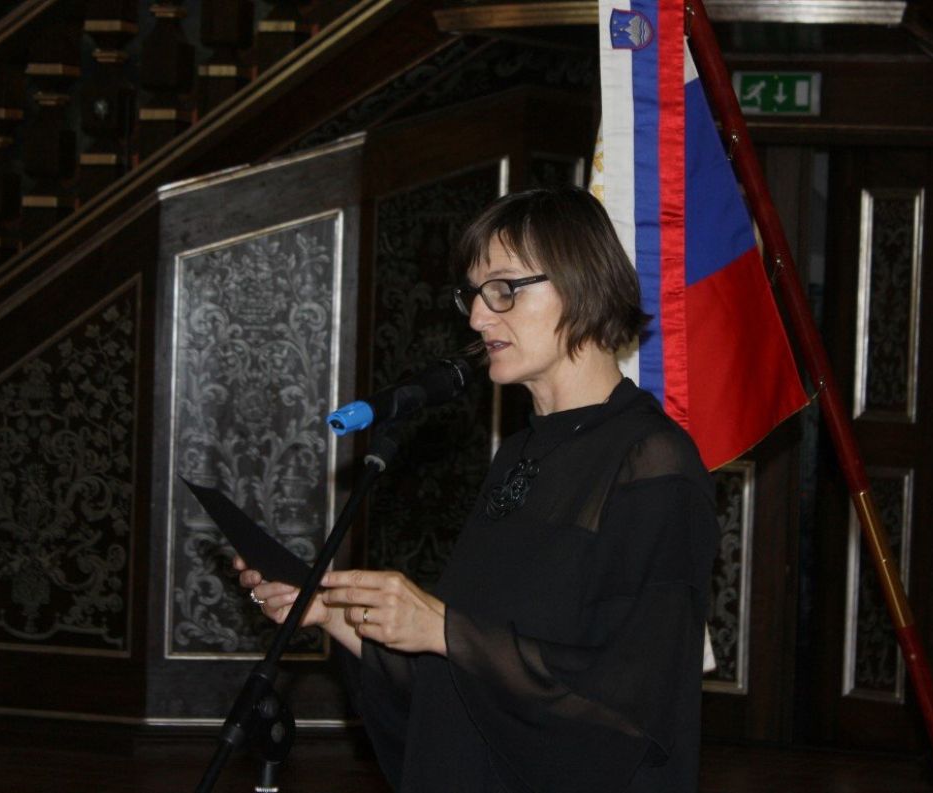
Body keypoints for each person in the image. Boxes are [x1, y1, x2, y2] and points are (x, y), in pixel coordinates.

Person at [236, 186, 719, 792]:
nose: (478, 317)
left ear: (582, 284)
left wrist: (443, 627)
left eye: (504, 289)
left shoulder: (653, 461)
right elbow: (469, 683)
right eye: (474, 294)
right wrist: (333, 616)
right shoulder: (517, 455)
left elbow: (630, 699)